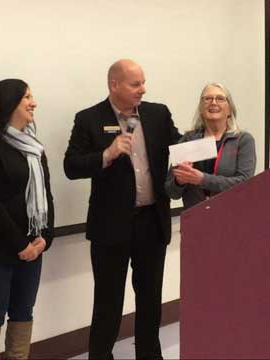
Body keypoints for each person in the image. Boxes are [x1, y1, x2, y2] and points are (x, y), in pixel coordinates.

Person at [64, 59, 180, 360]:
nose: (143, 89)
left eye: (143, 82)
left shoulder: (157, 114)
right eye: (135, 84)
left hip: (151, 222)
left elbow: (179, 147)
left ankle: (150, 355)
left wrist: (207, 145)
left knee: (150, 300)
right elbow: (71, 166)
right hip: (110, 226)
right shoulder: (89, 119)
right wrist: (106, 154)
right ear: (114, 85)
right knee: (108, 303)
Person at [0, 79, 54, 360]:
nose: (34, 103)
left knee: (23, 312)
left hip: (32, 247)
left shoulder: (34, 148)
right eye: (26, 97)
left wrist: (45, 239)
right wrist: (20, 244)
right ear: (8, 103)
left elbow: (47, 196)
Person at [165, 83, 256, 209]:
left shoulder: (243, 140)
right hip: (196, 219)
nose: (213, 102)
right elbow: (171, 192)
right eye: (207, 99)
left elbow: (244, 184)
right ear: (201, 109)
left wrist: (202, 179)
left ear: (230, 109)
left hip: (232, 217)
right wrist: (179, 181)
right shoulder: (188, 140)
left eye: (220, 98)